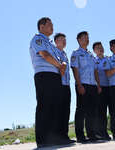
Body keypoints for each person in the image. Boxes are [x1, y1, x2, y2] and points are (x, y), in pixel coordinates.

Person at [29, 17, 69, 148]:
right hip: (44, 75)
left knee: (56, 107)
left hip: (55, 76)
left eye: (52, 25)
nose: (52, 27)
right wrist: (59, 65)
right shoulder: (37, 39)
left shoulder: (51, 44)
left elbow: (57, 58)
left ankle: (55, 138)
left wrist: (62, 64)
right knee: (45, 106)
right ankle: (42, 139)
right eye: (49, 25)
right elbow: (45, 55)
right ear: (41, 27)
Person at [70, 31, 102, 143]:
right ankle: (80, 135)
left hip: (92, 85)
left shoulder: (90, 55)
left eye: (88, 37)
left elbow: (95, 71)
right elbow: (75, 69)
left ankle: (91, 134)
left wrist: (98, 84)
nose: (87, 39)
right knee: (81, 110)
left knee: (91, 111)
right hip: (82, 84)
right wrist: (79, 85)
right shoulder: (76, 53)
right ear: (79, 40)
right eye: (84, 38)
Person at [54, 33, 76, 143]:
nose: (64, 41)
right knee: (58, 110)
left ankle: (64, 136)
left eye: (65, 39)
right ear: (56, 42)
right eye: (61, 39)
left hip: (66, 85)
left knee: (66, 111)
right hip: (58, 84)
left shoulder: (64, 54)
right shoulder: (54, 52)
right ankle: (57, 137)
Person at [93, 42, 111, 140]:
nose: (100, 49)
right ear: (94, 51)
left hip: (110, 87)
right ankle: (102, 133)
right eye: (98, 48)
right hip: (99, 88)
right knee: (101, 111)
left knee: (110, 111)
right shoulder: (93, 60)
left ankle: (112, 131)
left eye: (101, 47)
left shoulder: (108, 59)